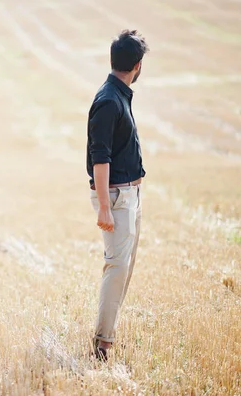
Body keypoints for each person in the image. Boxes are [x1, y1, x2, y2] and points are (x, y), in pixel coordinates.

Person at [86, 29, 149, 362]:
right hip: (117, 197)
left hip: (129, 194)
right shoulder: (110, 100)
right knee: (117, 266)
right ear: (137, 66)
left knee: (124, 267)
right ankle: (103, 342)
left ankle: (107, 333)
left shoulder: (118, 94)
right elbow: (100, 155)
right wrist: (105, 208)